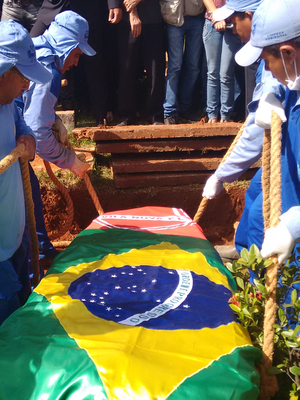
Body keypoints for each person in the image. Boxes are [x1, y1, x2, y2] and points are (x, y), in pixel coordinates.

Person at [202, 0, 286, 261]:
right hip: (287, 149)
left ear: (249, 16)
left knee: (262, 215)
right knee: (253, 192)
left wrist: (222, 175)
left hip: (290, 153)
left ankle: (262, 281)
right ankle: (245, 253)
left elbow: (255, 134)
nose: (230, 26)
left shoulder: (280, 63)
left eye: (234, 18)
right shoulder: (273, 58)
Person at [17, 10, 96, 265]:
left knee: (28, 190)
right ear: (66, 46)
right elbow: (37, 130)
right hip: (7, 139)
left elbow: (31, 107)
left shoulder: (36, 48)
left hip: (9, 129)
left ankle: (39, 251)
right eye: (76, 54)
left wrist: (57, 120)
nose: (75, 62)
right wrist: (69, 160)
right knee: (25, 196)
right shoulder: (49, 73)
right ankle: (36, 258)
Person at [233, 0, 300, 266]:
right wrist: (272, 96)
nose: (268, 72)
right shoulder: (291, 87)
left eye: (268, 62)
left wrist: (293, 226)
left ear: (288, 53)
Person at [0, 19, 52, 325]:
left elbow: (20, 121)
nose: (27, 86)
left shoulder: (8, 101)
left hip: (14, 237)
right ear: (5, 72)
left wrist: (28, 137)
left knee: (20, 312)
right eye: (23, 77)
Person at [162, 0, 217, 125]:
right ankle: (169, 111)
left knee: (193, 67)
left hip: (195, 16)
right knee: (175, 66)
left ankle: (184, 108)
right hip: (173, 15)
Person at [116, 0, 165, 126]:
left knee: (155, 70)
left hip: (154, 19)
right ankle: (126, 115)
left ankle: (155, 115)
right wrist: (132, 12)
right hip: (127, 20)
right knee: (127, 68)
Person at [202, 0, 242, 124]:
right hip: (212, 23)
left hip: (233, 24)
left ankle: (226, 116)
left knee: (226, 73)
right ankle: (212, 115)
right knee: (213, 72)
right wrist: (217, 17)